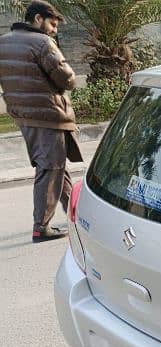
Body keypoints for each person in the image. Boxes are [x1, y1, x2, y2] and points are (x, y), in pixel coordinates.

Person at [0, 0, 83, 243]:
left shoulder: (3, 42)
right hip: (48, 115)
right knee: (50, 168)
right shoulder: (42, 42)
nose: (55, 29)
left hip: (24, 115)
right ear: (38, 19)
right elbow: (66, 78)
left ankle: (74, 215)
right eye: (53, 23)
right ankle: (41, 227)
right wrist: (70, 79)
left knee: (57, 167)